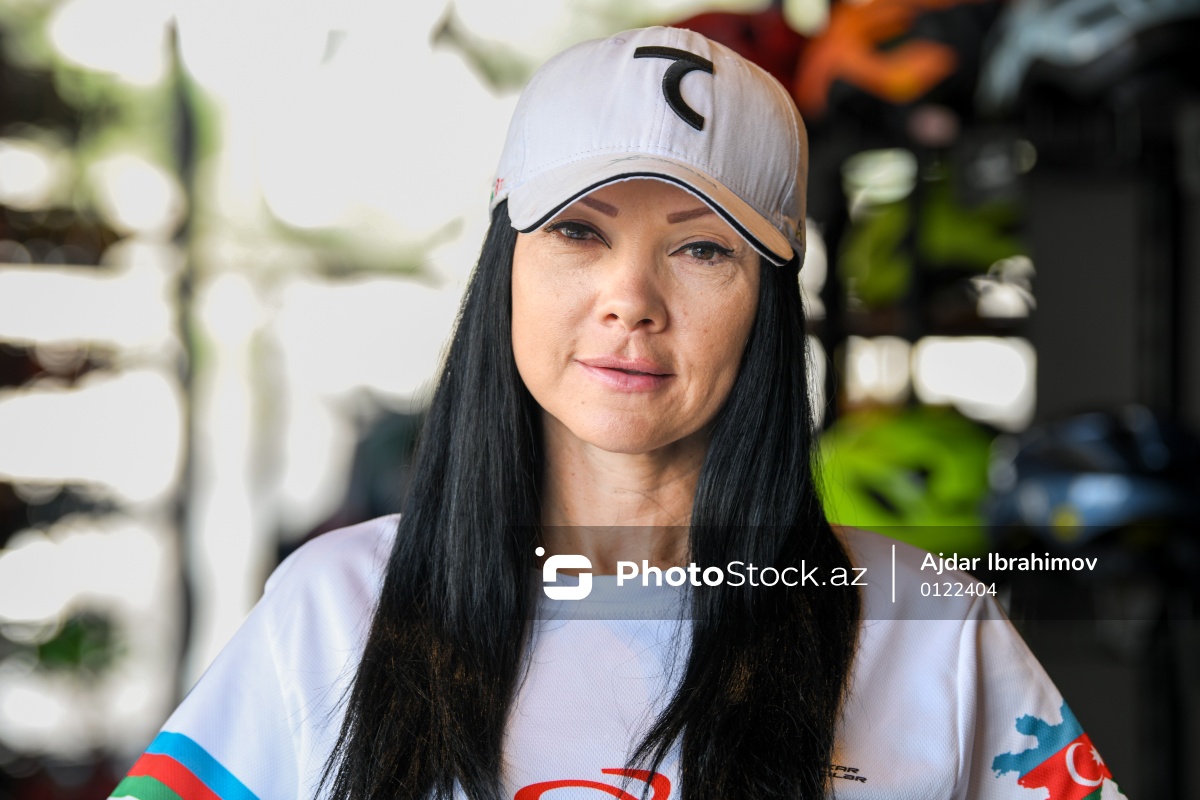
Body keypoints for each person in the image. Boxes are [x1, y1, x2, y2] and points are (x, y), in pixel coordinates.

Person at [107, 26, 1127, 800]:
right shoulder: (333, 608)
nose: (630, 300)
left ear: (770, 304)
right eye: (579, 232)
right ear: (506, 265)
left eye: (702, 247)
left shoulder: (930, 626)